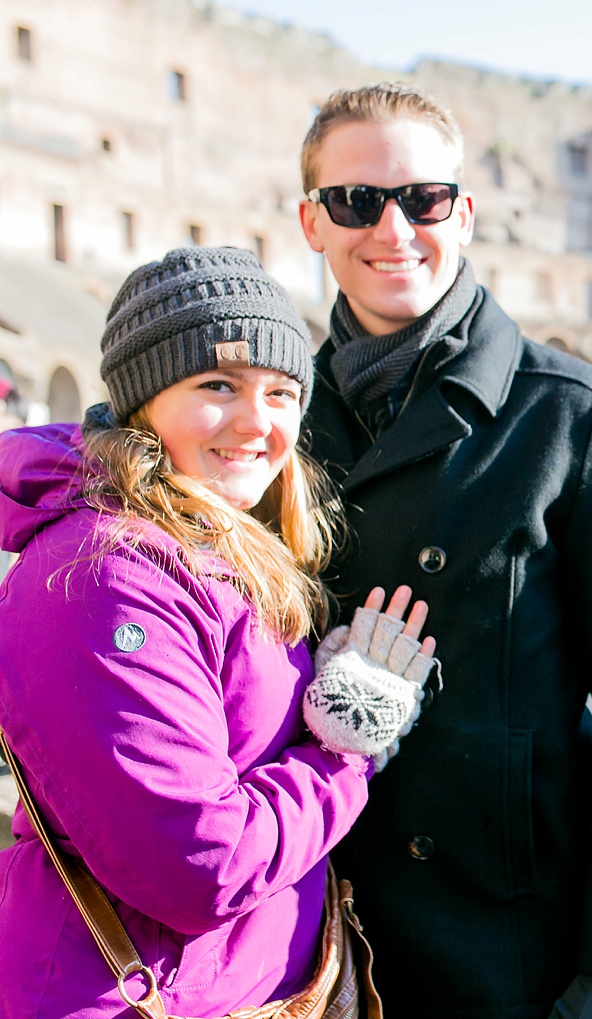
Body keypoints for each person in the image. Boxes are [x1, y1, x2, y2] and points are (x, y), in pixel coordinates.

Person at [298, 84, 592, 1017]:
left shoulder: (574, 414)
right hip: (316, 933)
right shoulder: (277, 427)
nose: (393, 228)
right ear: (313, 223)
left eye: (423, 198)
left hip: (509, 943)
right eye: (357, 200)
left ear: (463, 215)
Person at [0, 247, 434, 1017]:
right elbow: (203, 866)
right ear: (143, 397)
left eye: (280, 392)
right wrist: (346, 750)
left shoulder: (204, 540)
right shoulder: (107, 578)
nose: (256, 422)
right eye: (217, 385)